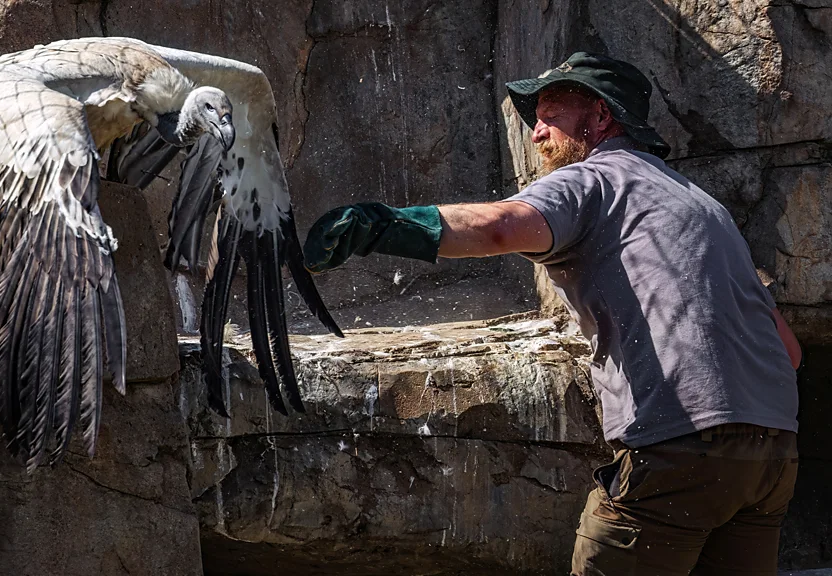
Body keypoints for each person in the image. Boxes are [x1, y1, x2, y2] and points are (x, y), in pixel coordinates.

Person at [302, 52, 803, 575]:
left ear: (601, 117)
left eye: (551, 115)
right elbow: (787, 353)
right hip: (772, 456)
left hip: (681, 447)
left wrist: (383, 226)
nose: (536, 134)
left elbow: (502, 225)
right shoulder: (702, 205)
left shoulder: (594, 180)